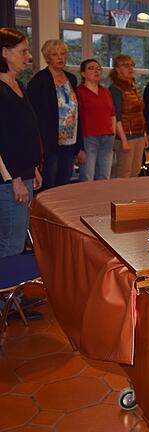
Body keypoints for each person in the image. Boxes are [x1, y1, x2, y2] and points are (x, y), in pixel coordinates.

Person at [0, 28, 44, 319]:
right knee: (11, 241)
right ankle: (6, 302)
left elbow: (27, 131)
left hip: (25, 173)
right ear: (4, 52)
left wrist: (35, 168)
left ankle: (14, 294)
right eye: (23, 51)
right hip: (9, 179)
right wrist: (14, 178)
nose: (29, 56)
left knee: (16, 239)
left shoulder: (18, 85)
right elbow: (3, 140)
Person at [27, 39, 82, 190]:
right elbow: (33, 114)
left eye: (63, 54)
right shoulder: (39, 80)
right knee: (48, 185)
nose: (60, 58)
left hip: (70, 141)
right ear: (47, 57)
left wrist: (79, 145)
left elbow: (76, 111)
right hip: (49, 142)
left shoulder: (71, 78)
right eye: (55, 54)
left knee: (64, 184)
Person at [75, 59, 115, 182]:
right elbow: (75, 119)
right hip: (89, 138)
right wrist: (78, 147)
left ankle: (101, 201)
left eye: (98, 68)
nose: (96, 71)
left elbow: (112, 114)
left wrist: (113, 132)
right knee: (87, 176)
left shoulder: (105, 91)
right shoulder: (79, 92)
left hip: (107, 138)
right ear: (83, 73)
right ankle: (86, 201)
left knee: (104, 177)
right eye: (91, 68)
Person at [109, 54, 148, 178]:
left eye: (132, 65)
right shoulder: (115, 89)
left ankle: (132, 197)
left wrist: (144, 134)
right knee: (124, 172)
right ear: (117, 69)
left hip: (139, 134)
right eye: (126, 65)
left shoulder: (133, 86)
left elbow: (140, 112)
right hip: (125, 136)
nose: (130, 68)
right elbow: (116, 117)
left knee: (135, 171)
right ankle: (120, 197)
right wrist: (124, 139)